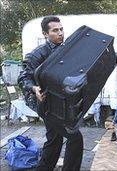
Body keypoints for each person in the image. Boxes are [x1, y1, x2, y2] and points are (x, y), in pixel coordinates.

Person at [18, 16, 83, 170]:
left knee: (54, 140)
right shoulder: (37, 54)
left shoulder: (67, 49)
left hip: (60, 101)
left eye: (61, 29)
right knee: (75, 137)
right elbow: (24, 77)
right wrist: (35, 89)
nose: (60, 33)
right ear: (45, 34)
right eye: (55, 30)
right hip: (44, 103)